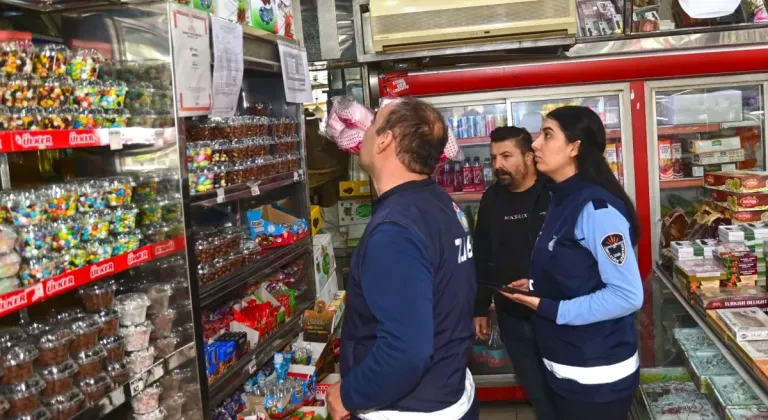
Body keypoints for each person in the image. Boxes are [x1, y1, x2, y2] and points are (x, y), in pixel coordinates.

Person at [326, 97, 478, 420]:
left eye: (373, 123)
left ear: (385, 140)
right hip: (448, 391)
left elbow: (407, 352)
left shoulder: (396, 231)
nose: (364, 131)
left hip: (408, 410)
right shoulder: (439, 203)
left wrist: (349, 395)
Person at [502, 105, 644, 420]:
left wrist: (550, 308)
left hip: (596, 376)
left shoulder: (596, 208)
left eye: (547, 135)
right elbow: (577, 270)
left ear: (574, 147)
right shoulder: (560, 198)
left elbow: (626, 295)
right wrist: (539, 287)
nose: (536, 144)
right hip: (567, 365)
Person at [472, 126, 557, 420]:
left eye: (506, 156)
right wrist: (480, 306)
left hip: (556, 312)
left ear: (530, 156)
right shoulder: (492, 199)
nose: (498, 165)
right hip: (512, 315)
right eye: (494, 157)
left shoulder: (554, 193)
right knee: (537, 391)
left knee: (563, 389)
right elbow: (482, 254)